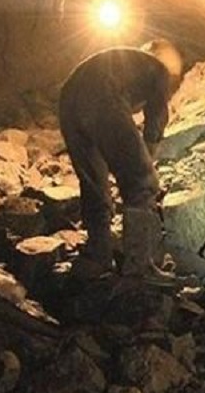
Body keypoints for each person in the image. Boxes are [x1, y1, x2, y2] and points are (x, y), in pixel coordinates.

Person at [59, 39, 183, 284]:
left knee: (94, 184)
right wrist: (146, 159)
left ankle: (99, 256)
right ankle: (139, 266)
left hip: (67, 101)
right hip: (102, 95)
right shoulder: (158, 68)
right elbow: (157, 116)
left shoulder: (123, 64)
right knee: (141, 183)